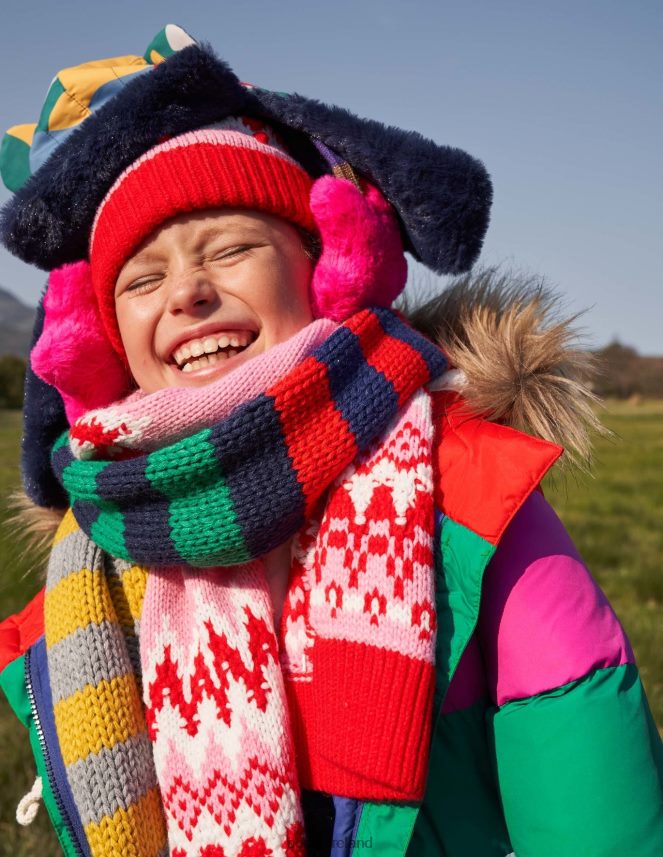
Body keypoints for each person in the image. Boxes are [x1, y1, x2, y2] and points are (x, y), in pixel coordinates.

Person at [0, 26, 661, 857]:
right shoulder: (96, 559)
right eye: (142, 279)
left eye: (232, 248)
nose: (188, 293)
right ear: (102, 339)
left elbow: (579, 748)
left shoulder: (459, 485)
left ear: (326, 268)